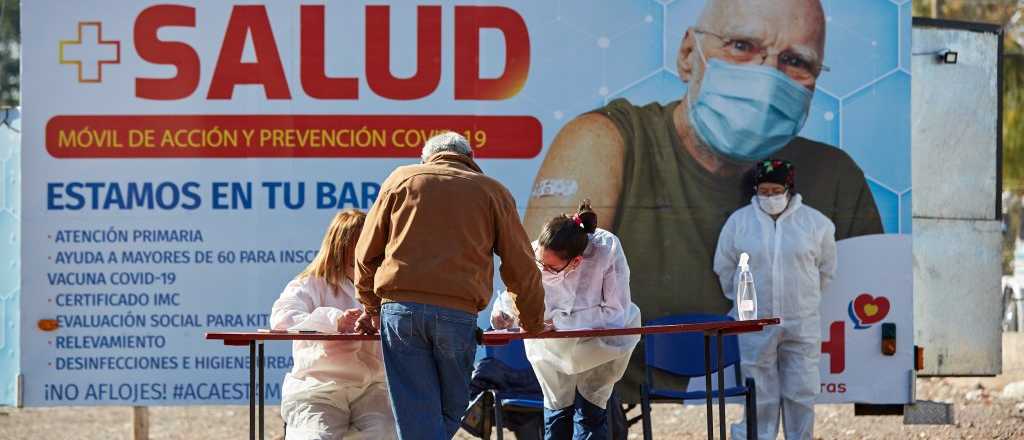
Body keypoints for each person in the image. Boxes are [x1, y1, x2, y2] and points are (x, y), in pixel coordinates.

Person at [522, 0, 882, 400]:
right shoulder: (609, 142)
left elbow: (864, 297)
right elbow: (544, 289)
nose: (766, 81)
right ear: (688, 54)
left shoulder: (834, 176)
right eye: (742, 46)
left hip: (769, 371)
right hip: (601, 392)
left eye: (796, 60)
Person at [353, 131, 548, 439]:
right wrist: (533, 322)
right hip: (458, 315)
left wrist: (370, 306)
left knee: (416, 411)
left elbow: (365, 253)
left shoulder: (402, 179)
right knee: (453, 408)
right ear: (470, 158)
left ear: (426, 159)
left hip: (401, 312)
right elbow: (521, 267)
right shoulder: (492, 191)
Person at [493, 200, 641, 440]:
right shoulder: (534, 254)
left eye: (551, 267)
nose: (542, 269)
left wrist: (561, 324)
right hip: (553, 348)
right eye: (540, 261)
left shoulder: (607, 250)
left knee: (591, 415)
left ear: (576, 262)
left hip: (598, 345)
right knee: (556, 416)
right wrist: (504, 314)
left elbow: (615, 314)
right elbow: (516, 294)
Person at [714, 159, 837, 440]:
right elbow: (724, 266)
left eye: (776, 190)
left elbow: (827, 270)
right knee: (758, 394)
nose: (769, 197)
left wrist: (802, 301)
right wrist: (746, 303)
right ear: (755, 189)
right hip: (754, 325)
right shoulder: (739, 222)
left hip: (801, 323)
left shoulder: (816, 224)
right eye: (764, 191)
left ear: (789, 188)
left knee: (802, 394)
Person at [269, 209, 397, 440]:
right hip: (317, 387)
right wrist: (335, 320)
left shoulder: (384, 287)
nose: (370, 252)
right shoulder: (311, 283)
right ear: (341, 246)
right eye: (363, 244)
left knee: (387, 433)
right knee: (315, 436)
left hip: (371, 388)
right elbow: (281, 317)